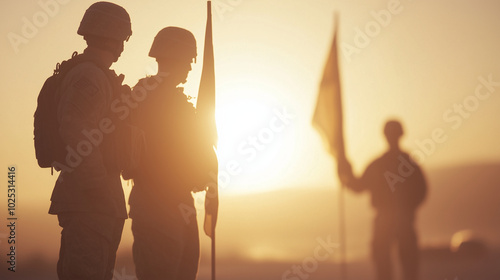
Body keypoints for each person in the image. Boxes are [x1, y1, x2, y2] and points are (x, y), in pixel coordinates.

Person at [48, 2, 132, 279]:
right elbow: (75, 130)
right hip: (89, 203)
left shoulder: (99, 76)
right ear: (112, 37)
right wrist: (97, 188)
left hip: (98, 202)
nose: (123, 45)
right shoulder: (89, 76)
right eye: (123, 37)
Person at [127, 27, 214, 280]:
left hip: (179, 201)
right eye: (187, 61)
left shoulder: (173, 100)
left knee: (184, 271)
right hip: (156, 202)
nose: (189, 68)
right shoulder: (146, 98)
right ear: (174, 59)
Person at [338, 120, 427, 280]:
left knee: (393, 266)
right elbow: (422, 191)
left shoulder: (382, 164)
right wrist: (345, 170)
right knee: (396, 265)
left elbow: (358, 186)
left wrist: (346, 172)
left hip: (392, 220)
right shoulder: (407, 164)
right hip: (396, 220)